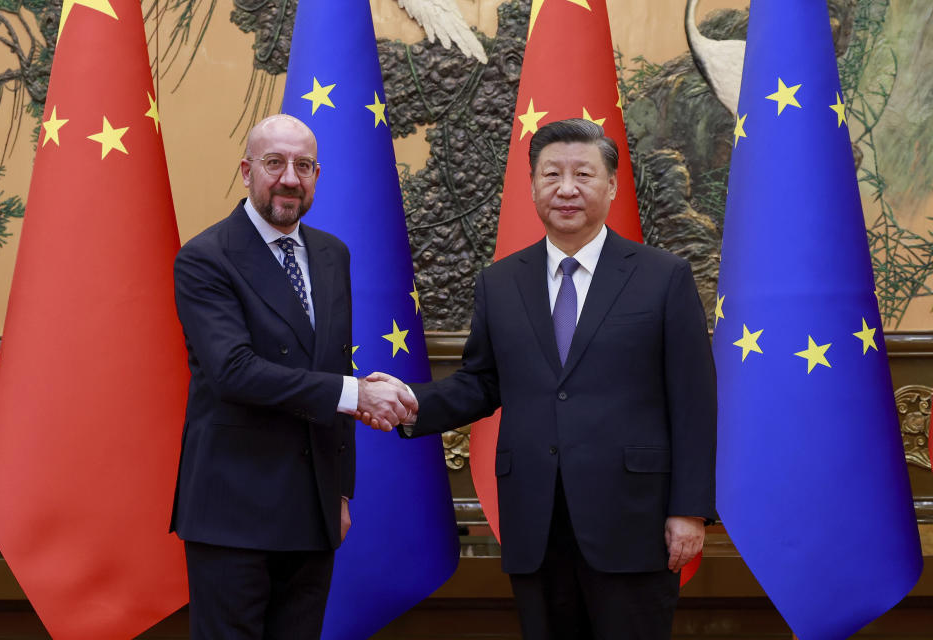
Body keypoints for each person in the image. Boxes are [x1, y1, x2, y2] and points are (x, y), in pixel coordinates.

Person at [362, 118, 717, 640]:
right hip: (536, 520)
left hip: (633, 520)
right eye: (551, 174)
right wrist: (411, 400)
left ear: (612, 185)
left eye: (583, 174)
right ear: (531, 185)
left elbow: (694, 401)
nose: (567, 188)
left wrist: (689, 511)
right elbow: (481, 382)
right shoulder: (501, 282)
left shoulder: (663, 277)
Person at [170, 114, 415, 639]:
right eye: (274, 163)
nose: (289, 178)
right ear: (245, 170)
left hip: (312, 507)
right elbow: (233, 372)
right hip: (233, 511)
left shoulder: (331, 255)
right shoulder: (204, 258)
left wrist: (340, 494)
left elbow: (332, 367)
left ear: (317, 175)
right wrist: (356, 394)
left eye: (303, 166)